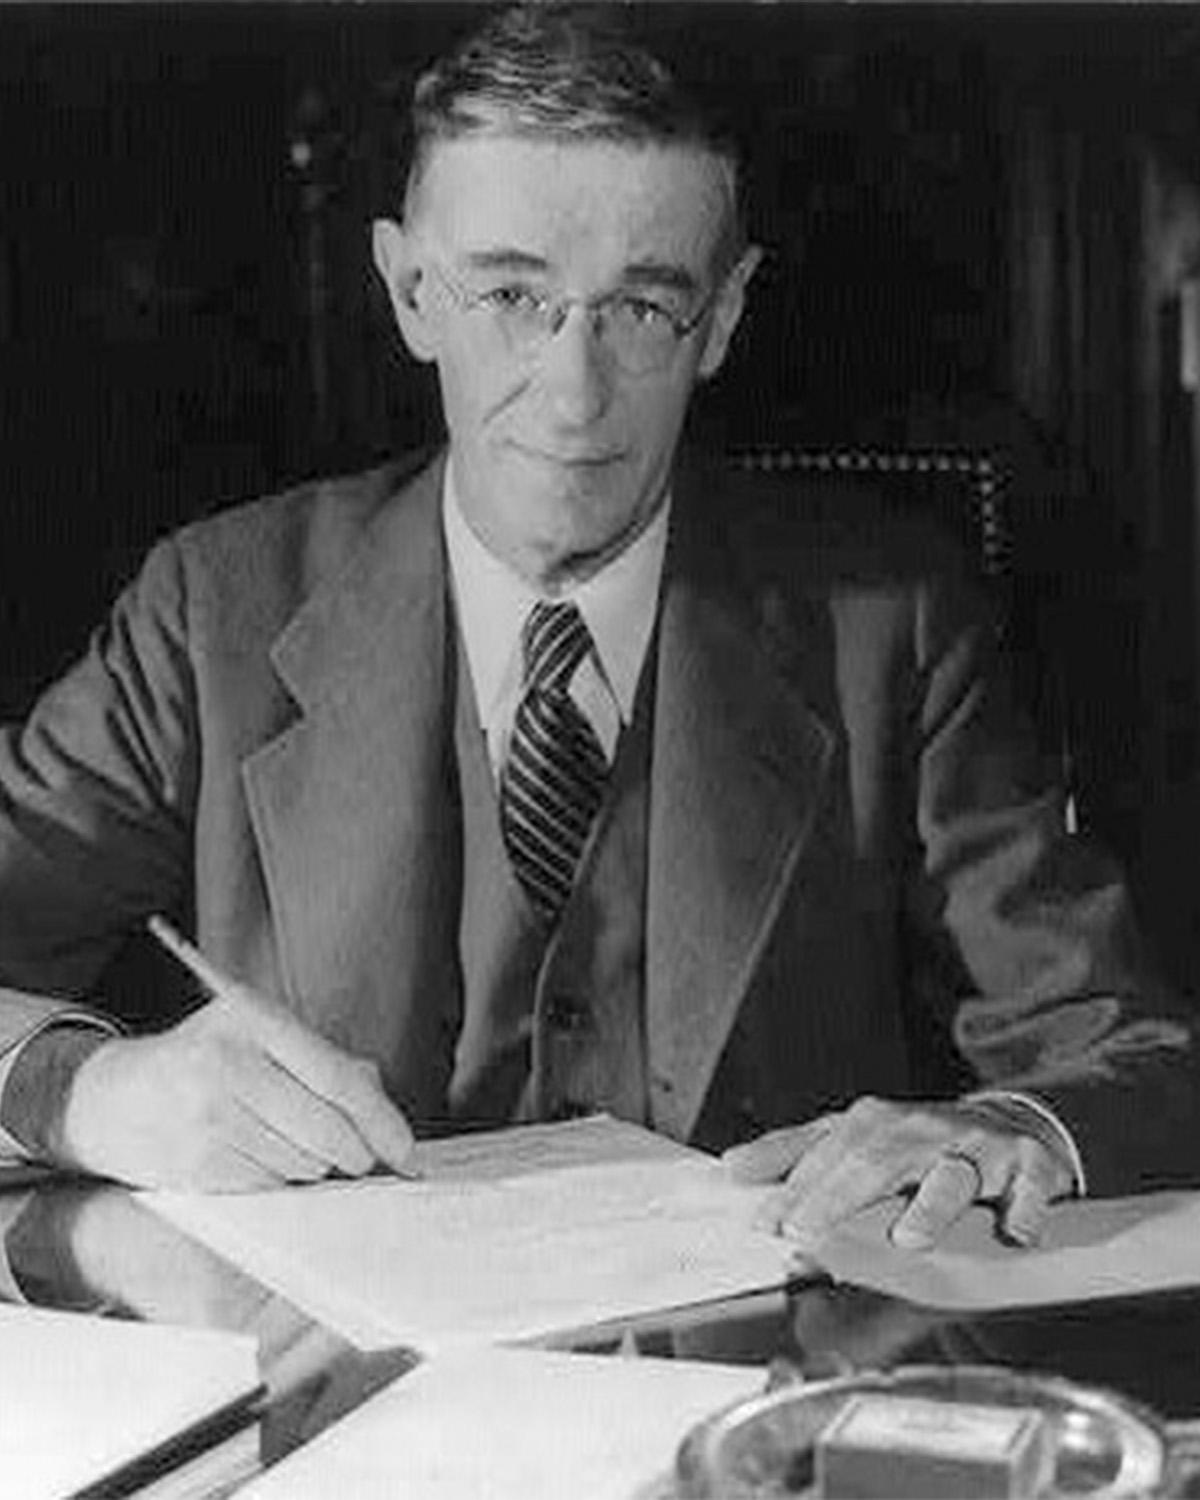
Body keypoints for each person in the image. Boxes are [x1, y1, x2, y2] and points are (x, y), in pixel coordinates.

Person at [0, 3, 1194, 1250]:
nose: (574, 394)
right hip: (341, 1405)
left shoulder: (893, 629)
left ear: (723, 318)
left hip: (751, 1406)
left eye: (641, 308)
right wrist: (75, 1090)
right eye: (513, 294)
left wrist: (1006, 1127)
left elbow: (1133, 1050)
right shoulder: (212, 615)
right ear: (411, 291)